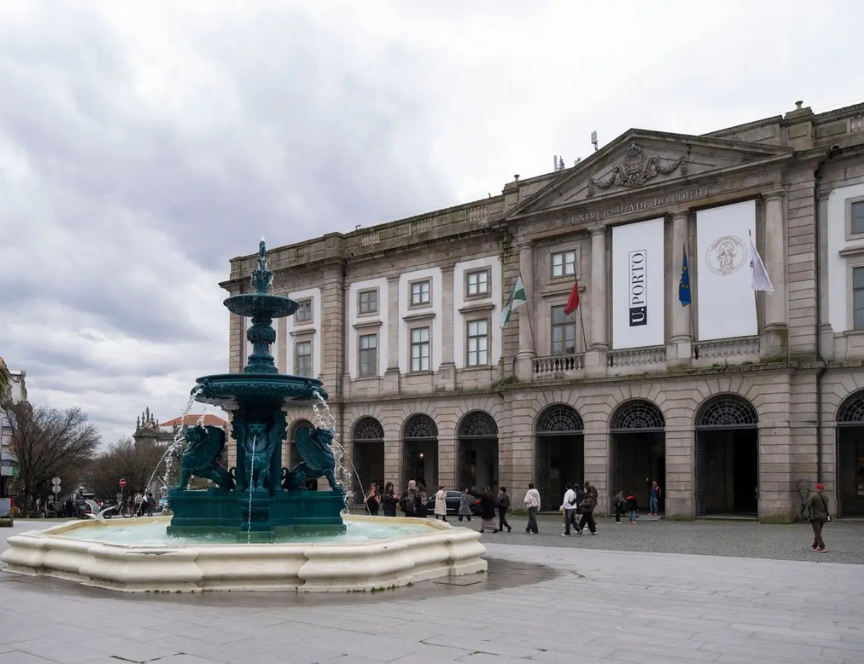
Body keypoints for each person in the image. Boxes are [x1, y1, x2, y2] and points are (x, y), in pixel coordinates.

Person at [804, 483, 831, 553]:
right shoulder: (826, 497)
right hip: (823, 517)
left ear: (816, 489)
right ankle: (814, 545)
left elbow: (809, 505)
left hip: (816, 517)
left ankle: (822, 547)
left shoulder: (814, 496)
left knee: (817, 532)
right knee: (818, 531)